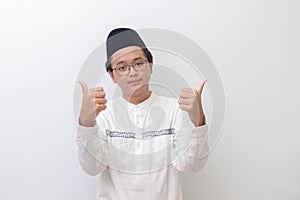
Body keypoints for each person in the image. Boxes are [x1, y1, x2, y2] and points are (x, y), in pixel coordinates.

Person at [76, 28, 209, 200]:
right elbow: (92, 167)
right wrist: (86, 123)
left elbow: (191, 165)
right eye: (122, 67)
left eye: (138, 63)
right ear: (112, 75)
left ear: (150, 66)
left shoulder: (174, 110)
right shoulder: (103, 114)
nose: (132, 72)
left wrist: (198, 119)